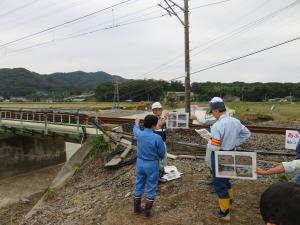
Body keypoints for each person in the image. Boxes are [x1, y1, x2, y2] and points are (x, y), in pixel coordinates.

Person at [207, 97, 251, 221]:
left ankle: (224, 212)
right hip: (231, 152)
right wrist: (236, 142)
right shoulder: (235, 121)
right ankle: (229, 201)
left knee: (219, 183)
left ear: (216, 110)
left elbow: (215, 147)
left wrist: (208, 141)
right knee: (226, 179)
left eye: (213, 112)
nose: (213, 115)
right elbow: (247, 134)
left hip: (219, 155)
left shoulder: (217, 125)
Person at [133, 115, 166, 218]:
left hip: (140, 163)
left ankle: (137, 209)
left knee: (139, 184)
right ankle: (147, 212)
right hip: (151, 164)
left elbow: (135, 129)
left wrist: (136, 123)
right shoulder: (157, 137)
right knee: (151, 186)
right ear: (153, 125)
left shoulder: (139, 134)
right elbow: (162, 154)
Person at [151, 102, 168, 179]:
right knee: (156, 158)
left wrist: (171, 118)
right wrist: (164, 119)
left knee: (163, 157)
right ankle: (157, 176)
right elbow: (156, 127)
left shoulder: (162, 118)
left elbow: (169, 128)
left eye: (159, 109)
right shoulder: (151, 119)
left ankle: (161, 171)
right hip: (154, 143)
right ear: (153, 110)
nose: (158, 111)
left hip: (163, 141)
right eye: (156, 109)